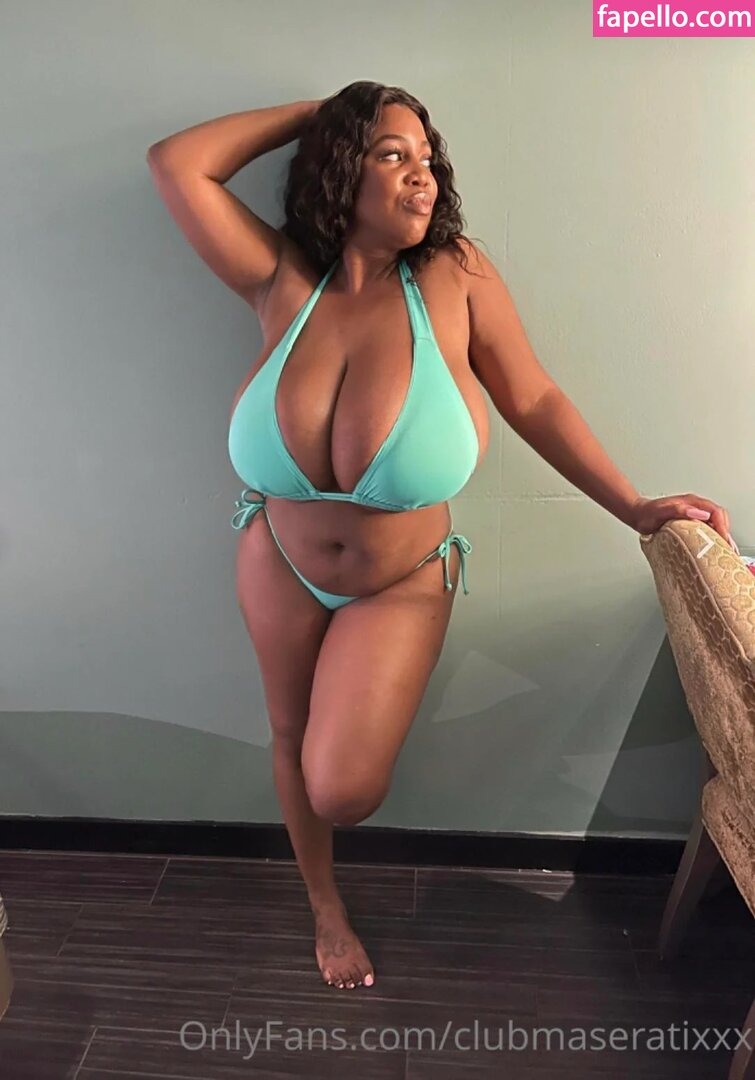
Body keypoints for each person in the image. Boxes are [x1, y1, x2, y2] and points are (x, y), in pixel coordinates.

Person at [146, 81, 737, 992]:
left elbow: (532, 397)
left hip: (402, 576)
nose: (422, 177)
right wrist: (321, 110)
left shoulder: (454, 275)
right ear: (339, 168)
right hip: (278, 556)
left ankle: (333, 870)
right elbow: (176, 164)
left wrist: (633, 506)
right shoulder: (281, 280)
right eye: (392, 155)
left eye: (427, 159)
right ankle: (324, 907)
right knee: (287, 734)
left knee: (342, 787)